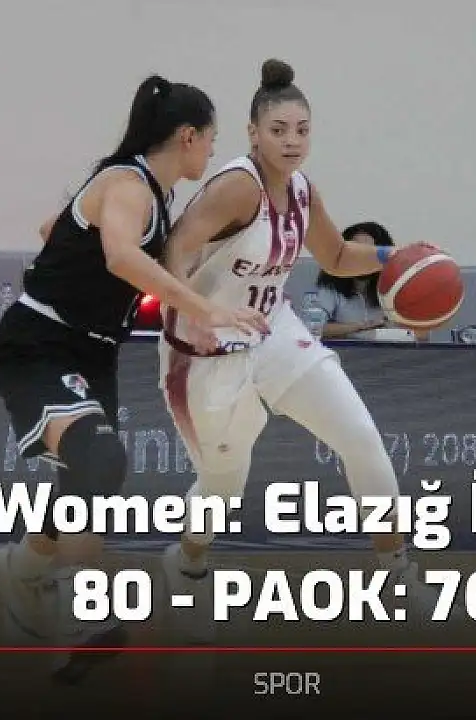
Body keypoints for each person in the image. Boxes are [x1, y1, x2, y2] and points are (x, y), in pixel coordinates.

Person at [0, 74, 269, 681]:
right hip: (41, 342)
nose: (212, 150)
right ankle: (80, 617)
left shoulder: (149, 196)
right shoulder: (128, 183)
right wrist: (202, 307)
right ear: (187, 136)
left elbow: (52, 229)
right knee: (97, 458)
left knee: (91, 473)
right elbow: (120, 256)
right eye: (210, 138)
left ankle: (19, 569)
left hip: (93, 352)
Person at [156, 59, 442, 643]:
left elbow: (335, 256)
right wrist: (196, 311)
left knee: (359, 436)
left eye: (302, 130)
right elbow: (175, 249)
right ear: (253, 133)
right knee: (224, 483)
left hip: (272, 330)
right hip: (205, 348)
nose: (292, 140)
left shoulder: (304, 190)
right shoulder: (237, 186)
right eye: (279, 129)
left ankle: (396, 575)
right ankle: (185, 563)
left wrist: (394, 257)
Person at [313, 221, 428, 340]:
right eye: (357, 251)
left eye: (368, 252)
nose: (361, 258)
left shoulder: (397, 285)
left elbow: (422, 335)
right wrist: (360, 327)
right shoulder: (330, 286)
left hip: (390, 350)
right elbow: (314, 328)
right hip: (343, 351)